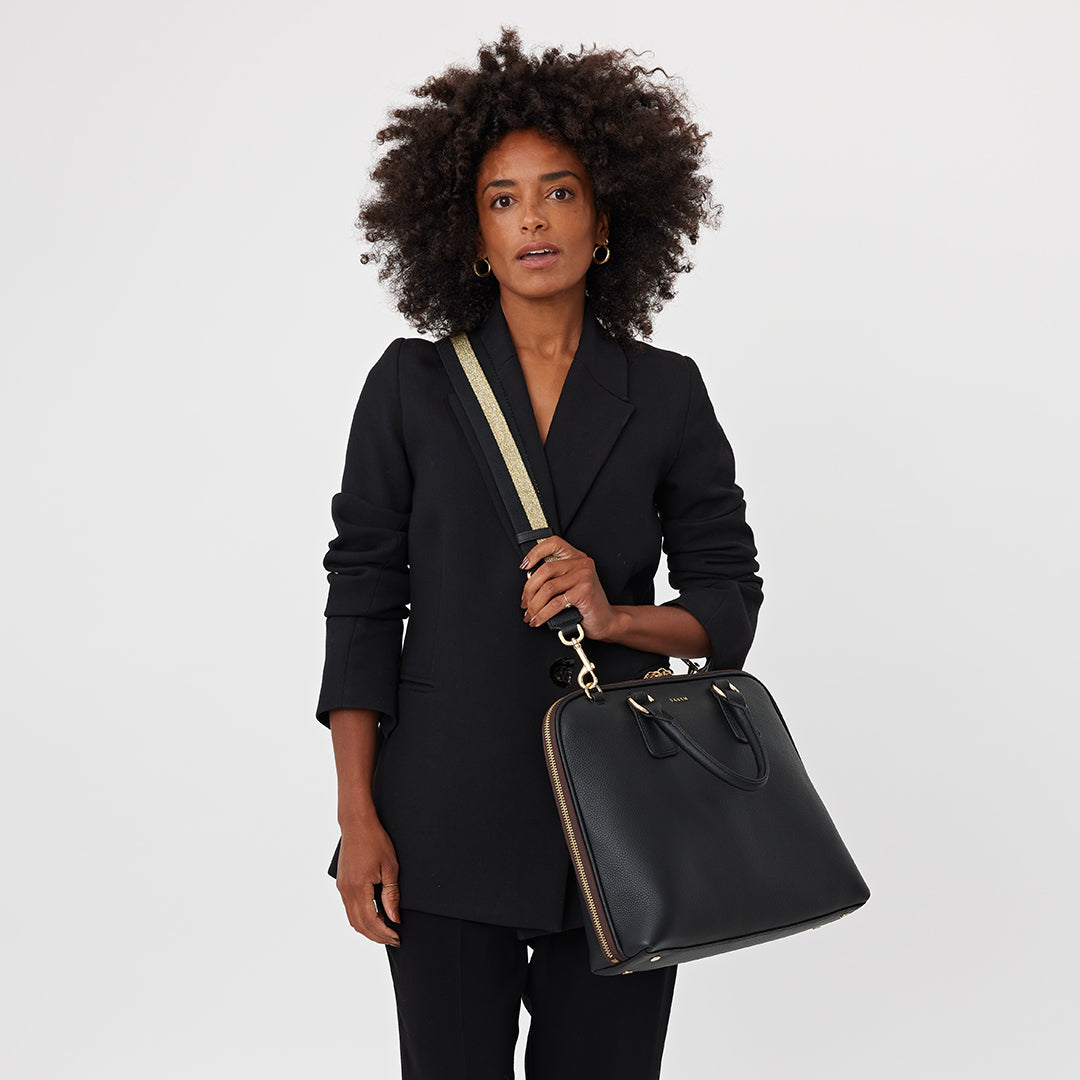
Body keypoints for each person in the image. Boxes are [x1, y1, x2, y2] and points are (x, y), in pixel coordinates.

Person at [315, 28, 764, 1080]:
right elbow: (363, 600)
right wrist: (357, 816)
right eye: (503, 199)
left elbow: (728, 599)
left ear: (605, 220)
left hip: (625, 815)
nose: (533, 220)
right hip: (442, 811)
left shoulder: (667, 391)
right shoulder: (411, 386)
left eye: (559, 193)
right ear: (469, 234)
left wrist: (615, 616)